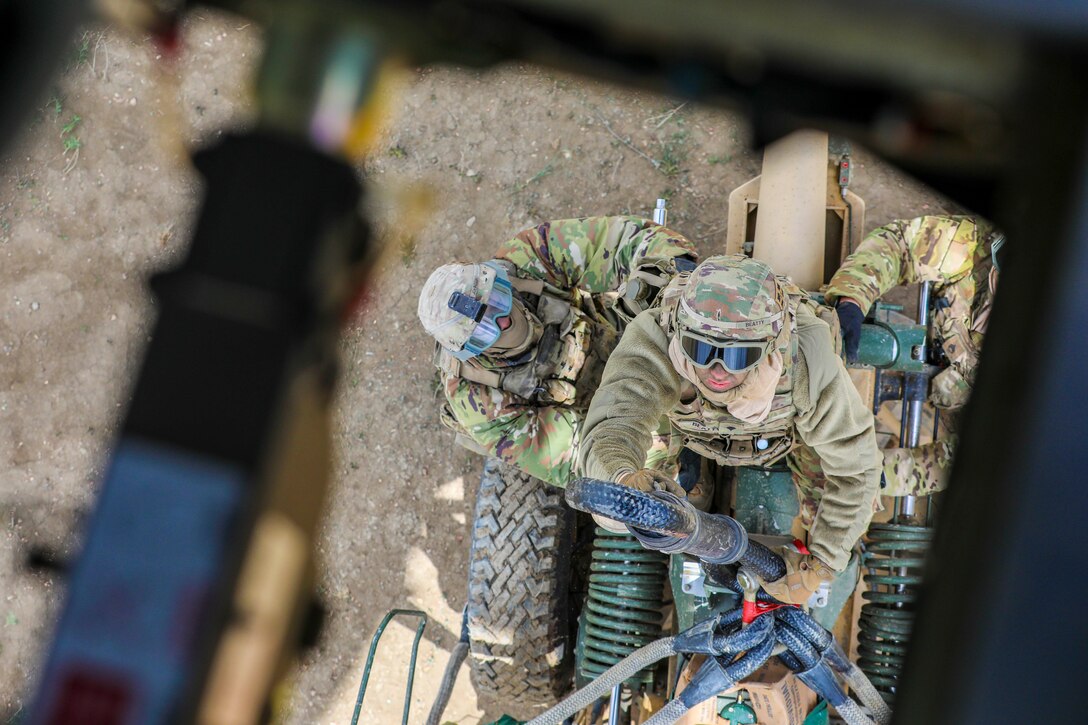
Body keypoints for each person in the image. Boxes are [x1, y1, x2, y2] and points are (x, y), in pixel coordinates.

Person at [579, 254, 882, 604]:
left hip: (790, 440)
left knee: (838, 517)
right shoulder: (655, 334)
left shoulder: (806, 355)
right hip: (689, 434)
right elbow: (615, 423)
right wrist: (622, 479)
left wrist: (822, 563)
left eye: (738, 356)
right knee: (619, 513)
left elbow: (857, 466)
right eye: (700, 350)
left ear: (771, 345)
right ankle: (697, 482)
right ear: (679, 330)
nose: (718, 370)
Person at [417, 216, 697, 488]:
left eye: (498, 301)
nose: (502, 321)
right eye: (483, 332)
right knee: (648, 471)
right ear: (470, 351)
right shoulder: (478, 403)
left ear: (501, 282)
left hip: (622, 331)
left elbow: (617, 243)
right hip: (605, 411)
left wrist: (674, 273)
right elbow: (576, 457)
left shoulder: (526, 259)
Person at [824, 215, 1004, 496]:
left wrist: (874, 475)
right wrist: (852, 298)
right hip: (926, 357)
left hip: (962, 428)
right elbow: (900, 245)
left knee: (839, 486)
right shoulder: (976, 249)